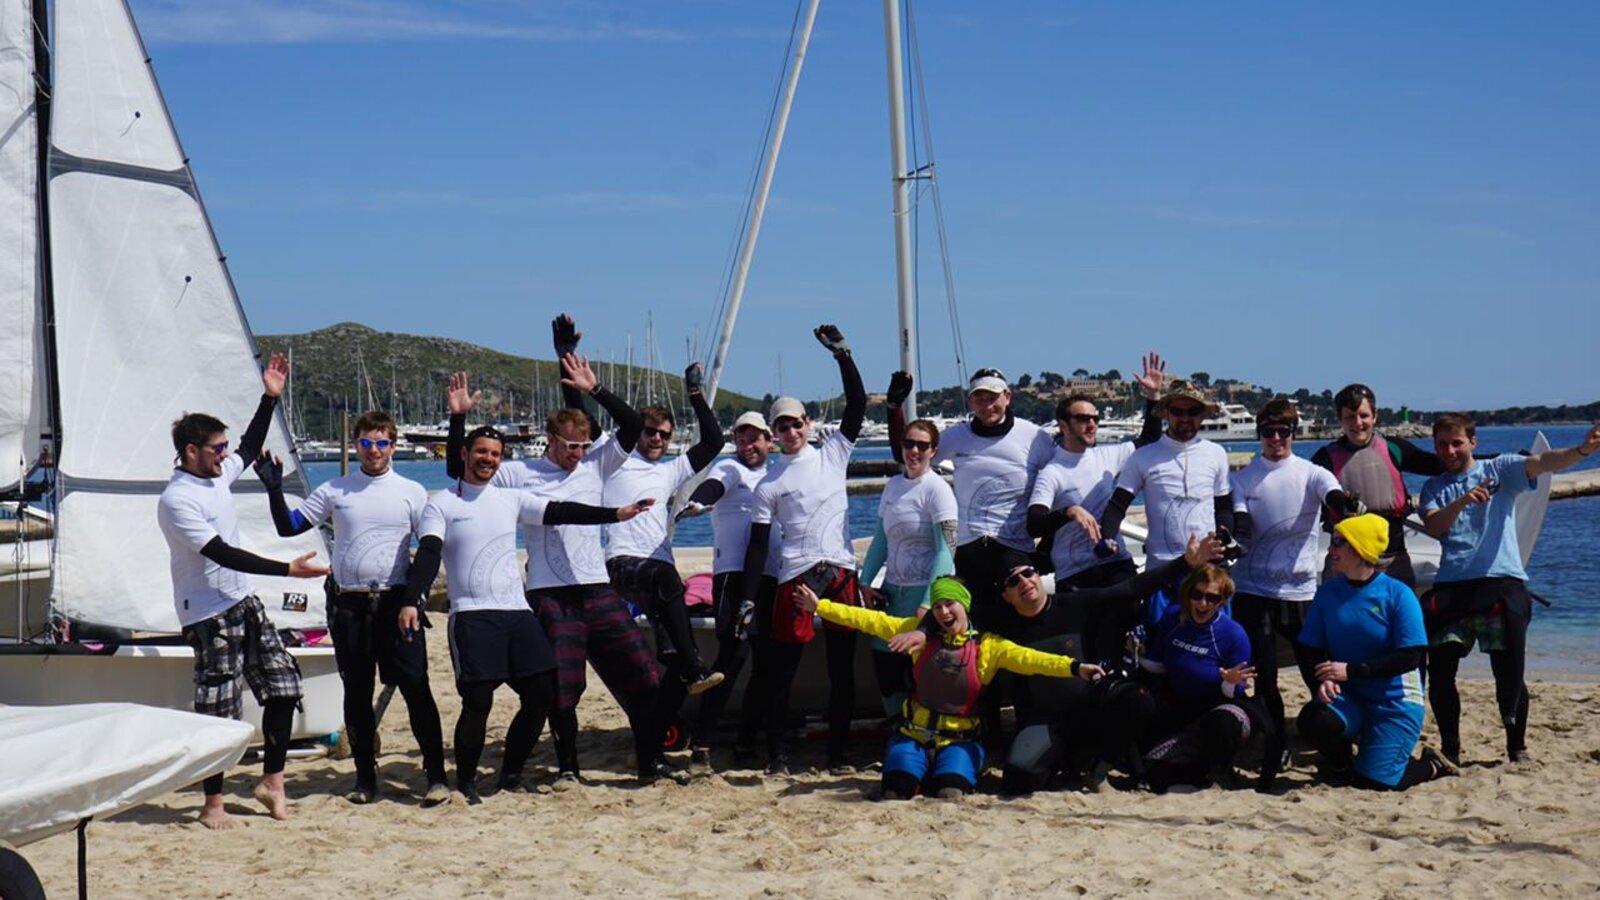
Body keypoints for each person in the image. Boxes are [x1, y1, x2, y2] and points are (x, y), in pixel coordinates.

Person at [445, 346, 672, 784]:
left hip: (599, 589)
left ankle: (650, 761)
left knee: (645, 677)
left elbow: (630, 425)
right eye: (570, 446)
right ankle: (568, 767)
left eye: (584, 446)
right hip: (551, 595)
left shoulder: (596, 464)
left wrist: (595, 389)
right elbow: (462, 466)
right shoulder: (518, 474)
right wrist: (458, 420)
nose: (578, 454)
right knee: (563, 692)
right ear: (550, 440)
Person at [404, 424, 655, 802]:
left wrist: (616, 514)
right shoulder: (442, 502)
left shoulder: (511, 499)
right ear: (465, 454)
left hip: (517, 614)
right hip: (472, 616)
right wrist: (413, 597)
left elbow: (562, 510)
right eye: (481, 452)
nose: (488, 459)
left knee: (542, 694)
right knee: (478, 703)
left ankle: (509, 774)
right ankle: (467, 783)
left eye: (495, 454)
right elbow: (428, 552)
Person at [155, 352, 331, 829]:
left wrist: (268, 398)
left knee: (283, 688)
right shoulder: (178, 499)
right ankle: (212, 803)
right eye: (216, 448)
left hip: (242, 602)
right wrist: (286, 570)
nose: (224, 454)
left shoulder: (215, 476)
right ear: (191, 451)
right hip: (207, 615)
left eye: (223, 447)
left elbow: (251, 448)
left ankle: (271, 781)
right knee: (219, 708)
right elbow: (222, 554)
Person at [258, 410, 449, 806]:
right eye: (365, 443)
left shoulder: (411, 491)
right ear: (355, 445)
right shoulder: (335, 489)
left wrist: (414, 597)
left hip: (396, 603)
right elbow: (289, 526)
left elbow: (430, 546)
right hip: (350, 606)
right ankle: (365, 779)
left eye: (381, 443)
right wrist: (274, 490)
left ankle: (436, 776)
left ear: (393, 446)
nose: (373, 450)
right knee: (357, 694)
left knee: (417, 688)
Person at [794, 576, 1103, 799]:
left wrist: (1075, 668)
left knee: (950, 792)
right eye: (938, 606)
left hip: (959, 740)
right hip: (913, 736)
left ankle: (950, 769)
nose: (943, 612)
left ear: (964, 606)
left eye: (950, 604)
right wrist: (819, 606)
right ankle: (911, 769)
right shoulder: (915, 633)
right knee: (896, 789)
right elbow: (867, 619)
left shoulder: (990, 647)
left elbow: (1033, 660)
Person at [1420, 416, 1600, 764]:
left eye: (1456, 442)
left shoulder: (1500, 469)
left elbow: (1545, 462)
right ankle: (1451, 749)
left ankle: (1516, 747)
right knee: (1440, 674)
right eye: (1442, 444)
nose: (1449, 451)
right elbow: (1434, 525)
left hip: (1500, 581)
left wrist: (1583, 449)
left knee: (1508, 670)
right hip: (1454, 587)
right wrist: (1462, 501)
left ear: (1472, 441)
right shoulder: (1434, 488)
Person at [985, 534, 1224, 795]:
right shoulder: (1003, 627)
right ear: (1006, 595)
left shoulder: (1074, 604)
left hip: (1091, 711)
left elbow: (1131, 589)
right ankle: (1064, 759)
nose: (1024, 582)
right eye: (1013, 580)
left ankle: (1098, 766)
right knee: (1018, 780)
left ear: (1038, 575)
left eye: (1028, 573)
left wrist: (1185, 563)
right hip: (1045, 721)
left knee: (1139, 699)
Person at [739, 324, 866, 775]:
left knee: (842, 671)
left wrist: (842, 354)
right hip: (795, 576)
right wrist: (751, 598)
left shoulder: (833, 454)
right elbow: (757, 547)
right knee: (781, 673)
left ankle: (836, 754)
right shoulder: (769, 484)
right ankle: (777, 756)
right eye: (782, 425)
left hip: (841, 573)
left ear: (808, 425)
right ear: (773, 433)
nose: (790, 430)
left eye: (796, 423)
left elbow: (856, 403)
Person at [1227, 399, 1353, 791]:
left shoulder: (1313, 473)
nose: (1277, 439)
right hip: (1253, 591)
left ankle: (1336, 740)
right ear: (1259, 435)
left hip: (1300, 593)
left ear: (1294, 434)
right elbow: (1242, 526)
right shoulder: (1243, 480)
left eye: (1284, 432)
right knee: (1265, 680)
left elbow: (1334, 499)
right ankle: (1275, 745)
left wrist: (1345, 511)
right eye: (1269, 432)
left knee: (1317, 672)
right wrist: (1233, 545)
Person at [603, 360, 727, 746]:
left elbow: (713, 443)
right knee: (666, 577)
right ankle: (695, 665)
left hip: (660, 571)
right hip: (623, 564)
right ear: (639, 432)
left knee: (671, 660)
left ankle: (651, 740)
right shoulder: (616, 461)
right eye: (651, 432)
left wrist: (695, 395)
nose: (657, 439)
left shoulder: (670, 471)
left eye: (664, 435)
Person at [1296, 514, 1456, 791]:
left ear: (1360, 551)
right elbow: (1308, 647)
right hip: (1350, 695)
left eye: (1338, 543)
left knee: (1374, 783)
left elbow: (1411, 657)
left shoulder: (1398, 594)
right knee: (1314, 719)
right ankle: (1341, 764)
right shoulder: (1328, 593)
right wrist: (1322, 680)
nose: (1331, 549)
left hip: (1394, 700)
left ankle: (1432, 765)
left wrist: (1352, 671)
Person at [887, 368, 1056, 626]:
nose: (987, 405)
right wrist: (894, 408)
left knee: (1019, 627)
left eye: (993, 397)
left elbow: (1060, 485)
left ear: (1008, 396)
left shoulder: (1035, 437)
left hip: (1014, 549)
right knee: (971, 629)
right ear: (970, 401)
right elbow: (908, 454)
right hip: (968, 549)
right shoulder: (957, 436)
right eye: (980, 398)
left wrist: (1048, 544)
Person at [1026, 353, 1166, 660]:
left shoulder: (1107, 456)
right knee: (1088, 655)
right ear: (1063, 425)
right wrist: (1068, 512)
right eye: (1083, 418)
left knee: (1127, 647)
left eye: (1095, 418)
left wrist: (1153, 398)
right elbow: (1034, 522)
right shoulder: (1053, 472)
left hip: (1115, 564)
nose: (1092, 424)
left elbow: (1150, 439)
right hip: (1075, 574)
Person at [678, 411, 781, 771]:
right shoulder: (730, 468)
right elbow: (713, 487)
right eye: (741, 438)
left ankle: (747, 743)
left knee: (768, 664)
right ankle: (702, 746)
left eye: (754, 438)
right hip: (734, 577)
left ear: (770, 440)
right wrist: (698, 502)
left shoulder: (778, 472)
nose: (747, 445)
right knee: (732, 659)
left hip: (773, 576)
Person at [1098, 379, 1235, 622]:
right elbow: (1117, 506)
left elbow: (1223, 508)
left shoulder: (1217, 454)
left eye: (1192, 411)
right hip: (1162, 574)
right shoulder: (1143, 457)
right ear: (1166, 413)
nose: (1185, 418)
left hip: (1208, 574)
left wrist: (1226, 537)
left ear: (1203, 414)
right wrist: (1106, 538)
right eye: (1177, 412)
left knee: (1210, 651)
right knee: (1160, 654)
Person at [1130, 564, 1263, 793]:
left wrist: (1230, 681)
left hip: (1223, 705)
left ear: (1222, 601)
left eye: (1212, 598)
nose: (1203, 604)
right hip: (1182, 707)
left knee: (1223, 723)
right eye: (1197, 595)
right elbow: (1157, 664)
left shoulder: (1233, 634)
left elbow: (1238, 691)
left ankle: (1220, 771)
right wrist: (1137, 652)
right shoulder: (1173, 618)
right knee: (1156, 768)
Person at [858, 415, 958, 718]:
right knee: (887, 672)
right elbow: (880, 540)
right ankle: (896, 730)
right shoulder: (893, 487)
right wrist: (865, 582)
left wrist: (929, 601)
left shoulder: (937, 489)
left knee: (920, 673)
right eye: (908, 444)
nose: (914, 451)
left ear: (933, 451)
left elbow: (946, 549)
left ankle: (922, 735)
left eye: (922, 446)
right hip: (892, 594)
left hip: (921, 597)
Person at [1310, 383, 1444, 587]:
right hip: (1344, 561)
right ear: (1340, 420)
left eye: (1363, 416)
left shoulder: (1394, 448)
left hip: (1394, 557)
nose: (1358, 423)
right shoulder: (1324, 459)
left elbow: (1442, 464)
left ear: (1375, 415)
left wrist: (1490, 462)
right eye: (1349, 417)